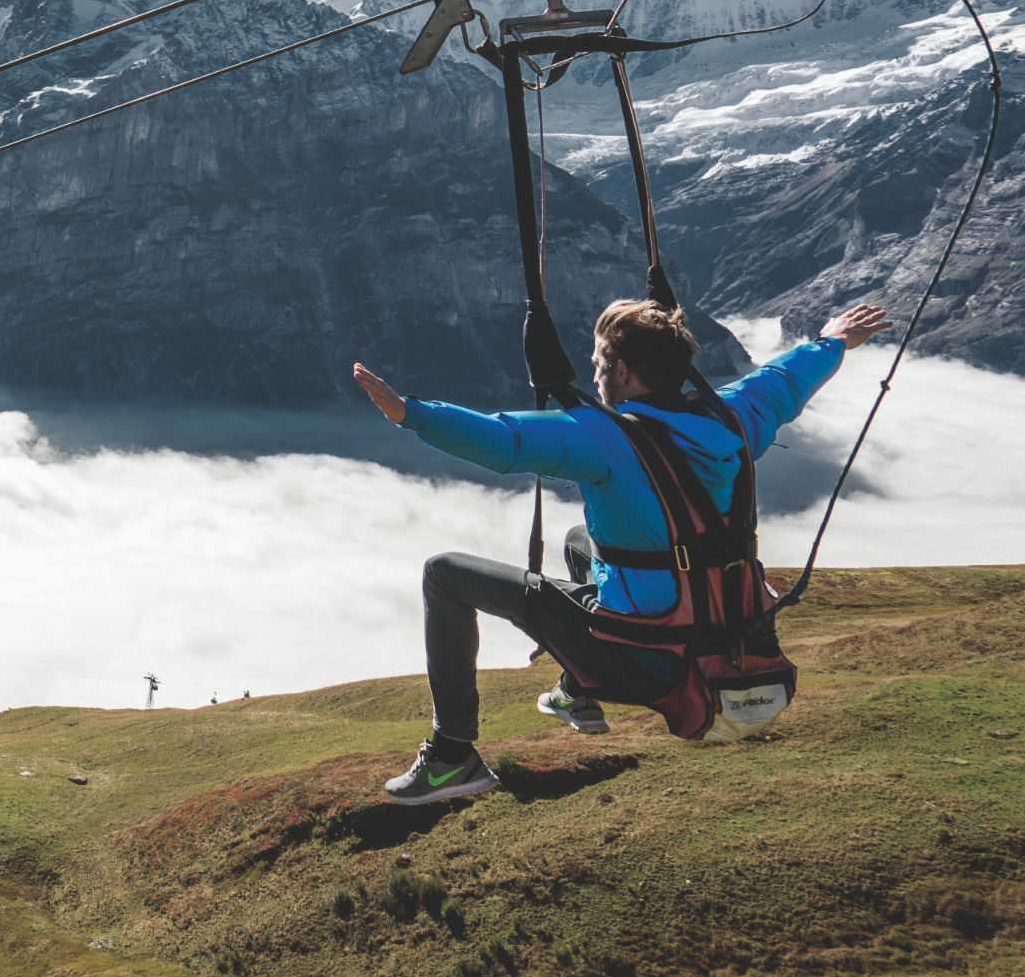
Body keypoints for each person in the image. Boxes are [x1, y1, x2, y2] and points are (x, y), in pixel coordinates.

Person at [351, 297, 890, 806]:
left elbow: (505, 441)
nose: (594, 375)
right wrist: (834, 340)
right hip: (732, 638)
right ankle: (575, 693)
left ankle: (452, 757)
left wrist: (410, 413)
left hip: (650, 660)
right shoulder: (734, 418)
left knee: (444, 575)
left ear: (625, 372)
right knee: (579, 542)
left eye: (599, 362)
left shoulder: (606, 439)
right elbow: (783, 382)